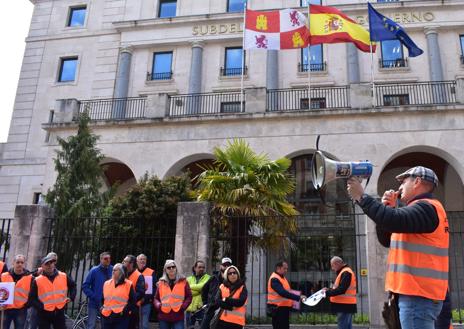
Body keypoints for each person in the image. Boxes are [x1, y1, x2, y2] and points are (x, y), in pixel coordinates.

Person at [347, 166, 448, 329]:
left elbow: (394, 220)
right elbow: (385, 238)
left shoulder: (427, 208)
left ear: (417, 182)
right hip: (415, 295)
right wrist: (388, 209)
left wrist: (362, 197)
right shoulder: (418, 211)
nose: (399, 186)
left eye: (404, 181)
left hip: (418, 296)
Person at [30, 254, 76, 329]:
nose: (49, 265)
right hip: (44, 313)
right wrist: (41, 307)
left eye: (51, 263)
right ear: (42, 267)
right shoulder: (37, 280)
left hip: (59, 311)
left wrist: (71, 297)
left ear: (54, 264)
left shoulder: (63, 276)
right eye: (47, 263)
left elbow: (73, 285)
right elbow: (32, 298)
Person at [267, 261, 306, 329]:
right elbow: (283, 293)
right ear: (278, 268)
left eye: (287, 269)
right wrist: (298, 297)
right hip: (278, 309)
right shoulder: (274, 279)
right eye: (284, 268)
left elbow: (287, 291)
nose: (286, 270)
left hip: (283, 309)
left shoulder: (282, 278)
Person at [153, 260, 192, 329]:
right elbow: (156, 298)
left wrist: (183, 307)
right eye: (169, 267)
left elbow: (189, 296)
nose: (171, 269)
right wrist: (158, 305)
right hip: (163, 316)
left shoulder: (183, 281)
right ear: (165, 270)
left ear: (176, 268)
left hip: (178, 316)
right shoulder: (161, 283)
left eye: (173, 267)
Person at [323, 256, 357, 329]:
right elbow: (339, 288)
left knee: (343, 326)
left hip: (344, 306)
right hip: (346, 305)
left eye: (332, 265)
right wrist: (329, 290)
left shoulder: (346, 272)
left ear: (338, 263)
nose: (332, 268)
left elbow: (342, 289)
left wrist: (327, 293)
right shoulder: (344, 272)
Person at [0, 254, 32, 329]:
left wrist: (27, 305)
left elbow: (33, 294)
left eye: (22, 262)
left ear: (24, 264)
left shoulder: (30, 277)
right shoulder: (4, 275)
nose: (20, 264)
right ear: (13, 263)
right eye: (17, 262)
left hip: (21, 310)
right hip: (6, 309)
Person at [200, 257, 232, 329]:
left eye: (228, 265)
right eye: (224, 265)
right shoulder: (214, 278)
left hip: (225, 309)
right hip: (211, 307)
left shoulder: (232, 280)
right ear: (221, 266)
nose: (226, 267)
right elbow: (204, 290)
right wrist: (205, 303)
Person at [83, 252, 113, 329]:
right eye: (105, 258)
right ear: (101, 259)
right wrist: (94, 296)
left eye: (109, 258)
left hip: (108, 304)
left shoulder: (113, 270)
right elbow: (85, 286)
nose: (108, 260)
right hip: (94, 303)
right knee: (91, 325)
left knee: (106, 326)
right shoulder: (94, 270)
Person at [101, 263, 136, 329]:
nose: (113, 271)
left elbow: (133, 301)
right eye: (113, 270)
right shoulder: (106, 283)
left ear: (121, 272)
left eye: (115, 270)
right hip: (106, 316)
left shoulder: (128, 284)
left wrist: (125, 311)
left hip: (121, 318)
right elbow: (103, 299)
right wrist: (102, 308)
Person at [28, 252, 58, 329]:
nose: (52, 263)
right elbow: (28, 277)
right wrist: (36, 273)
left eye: (54, 261)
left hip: (49, 306)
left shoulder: (56, 272)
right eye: (51, 260)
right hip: (38, 303)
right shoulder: (40, 269)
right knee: (33, 323)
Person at [122, 255, 145, 329]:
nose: (123, 263)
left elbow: (141, 293)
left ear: (131, 264)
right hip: (120, 308)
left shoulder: (139, 276)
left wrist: (129, 300)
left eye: (125, 261)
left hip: (132, 309)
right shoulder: (122, 274)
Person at [185, 261, 210, 328]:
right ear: (195, 268)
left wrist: (190, 287)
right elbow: (186, 292)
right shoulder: (188, 279)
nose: (201, 269)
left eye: (203, 267)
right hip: (190, 309)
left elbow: (203, 286)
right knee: (189, 328)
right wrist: (200, 291)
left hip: (202, 309)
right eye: (199, 267)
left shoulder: (208, 278)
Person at [136, 254, 156, 329]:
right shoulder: (134, 272)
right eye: (141, 259)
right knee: (135, 324)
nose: (142, 261)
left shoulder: (151, 272)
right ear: (137, 261)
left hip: (146, 302)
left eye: (144, 259)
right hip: (135, 302)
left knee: (144, 325)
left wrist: (148, 298)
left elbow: (154, 288)